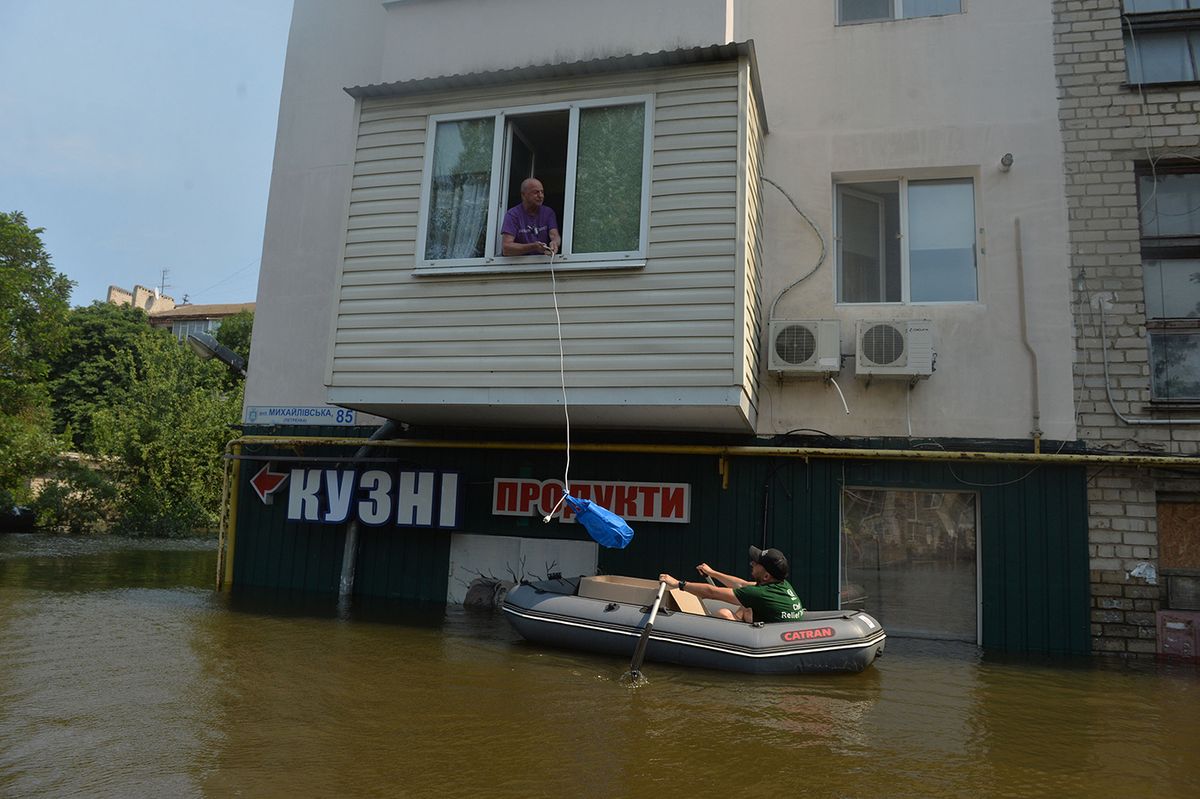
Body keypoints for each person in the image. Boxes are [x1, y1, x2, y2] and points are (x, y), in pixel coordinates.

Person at [659, 545, 805, 623]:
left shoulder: (760, 594)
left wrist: (679, 584)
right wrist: (712, 573)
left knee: (724, 613)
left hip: (764, 639)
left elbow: (711, 592)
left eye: (757, 563)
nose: (752, 563)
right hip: (775, 626)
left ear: (766, 575)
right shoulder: (782, 584)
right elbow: (741, 585)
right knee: (746, 606)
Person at [501, 177, 561, 256]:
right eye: (536, 192)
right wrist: (533, 247)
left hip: (543, 263)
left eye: (542, 192)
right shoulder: (512, 215)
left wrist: (555, 243)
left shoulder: (548, 212)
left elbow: (554, 235)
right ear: (523, 195)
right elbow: (506, 249)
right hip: (519, 265)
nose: (540, 196)